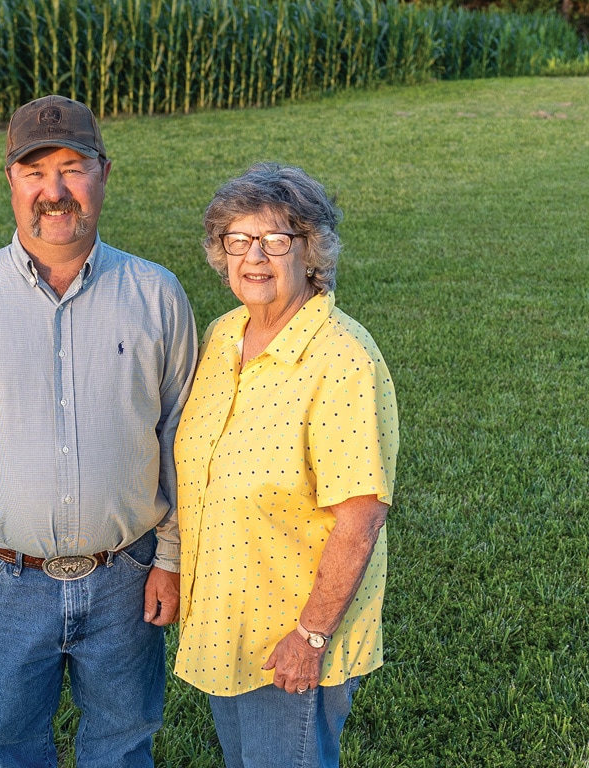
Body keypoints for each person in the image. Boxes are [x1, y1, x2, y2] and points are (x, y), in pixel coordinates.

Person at [0, 95, 198, 768]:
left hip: (128, 576)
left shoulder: (157, 295)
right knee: (10, 745)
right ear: (10, 181)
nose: (54, 191)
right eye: (35, 172)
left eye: (72, 168)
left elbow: (183, 443)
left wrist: (171, 559)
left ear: (104, 173)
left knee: (122, 745)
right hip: (4, 583)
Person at [173, 162, 399, 768]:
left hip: (290, 637)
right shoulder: (223, 337)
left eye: (276, 241)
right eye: (238, 241)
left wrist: (311, 635)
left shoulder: (342, 358)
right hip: (226, 620)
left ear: (312, 251)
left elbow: (361, 518)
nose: (255, 258)